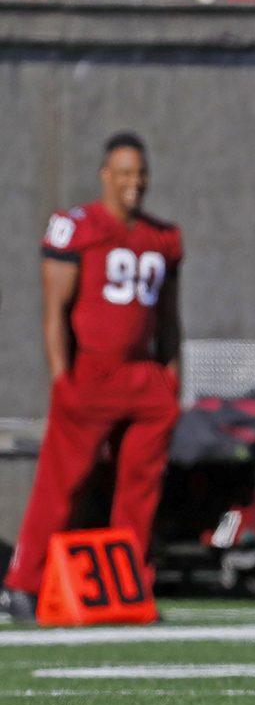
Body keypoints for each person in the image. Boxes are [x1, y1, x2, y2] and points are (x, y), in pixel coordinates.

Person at [0, 132, 183, 623]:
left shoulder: (163, 237)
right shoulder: (77, 227)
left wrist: (171, 380)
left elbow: (169, 319)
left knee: (140, 490)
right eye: (124, 172)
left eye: (140, 172)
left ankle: (129, 584)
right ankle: (23, 582)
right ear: (105, 175)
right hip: (92, 373)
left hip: (143, 376)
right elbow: (54, 311)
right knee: (62, 483)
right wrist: (63, 378)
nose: (134, 182)